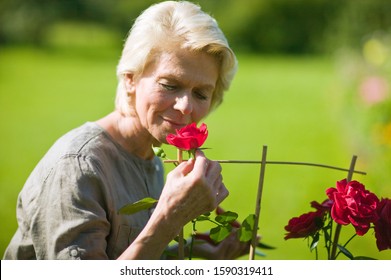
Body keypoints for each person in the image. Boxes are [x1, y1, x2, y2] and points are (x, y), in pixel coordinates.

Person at [3, 0, 248, 260]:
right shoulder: (78, 167)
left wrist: (188, 252)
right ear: (131, 78)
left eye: (201, 93)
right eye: (170, 85)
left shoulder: (150, 158)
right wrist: (169, 218)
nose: (186, 106)